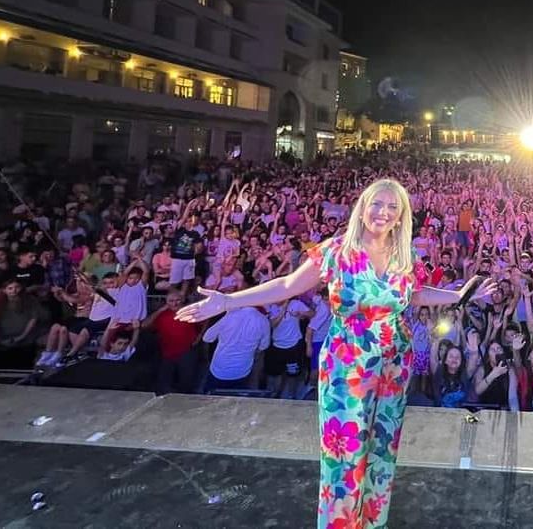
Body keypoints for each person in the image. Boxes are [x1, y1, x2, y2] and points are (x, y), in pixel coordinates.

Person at [178, 178, 495, 529]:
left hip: (394, 364)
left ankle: (373, 522)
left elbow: (415, 294)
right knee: (345, 453)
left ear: (401, 215)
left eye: (392, 207)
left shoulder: (405, 254)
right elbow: (287, 285)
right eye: (377, 204)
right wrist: (228, 300)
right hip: (348, 363)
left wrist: (458, 296)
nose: (383, 212)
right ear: (363, 207)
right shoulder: (337, 250)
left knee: (381, 450)